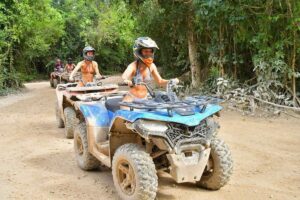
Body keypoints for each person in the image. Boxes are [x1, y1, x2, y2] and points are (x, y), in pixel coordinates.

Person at [122, 37, 179, 102]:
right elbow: (125, 75)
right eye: (146, 51)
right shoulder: (133, 65)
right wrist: (126, 80)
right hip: (131, 97)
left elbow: (160, 81)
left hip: (145, 100)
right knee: (124, 111)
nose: (148, 54)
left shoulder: (152, 66)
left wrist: (171, 81)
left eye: (150, 51)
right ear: (139, 52)